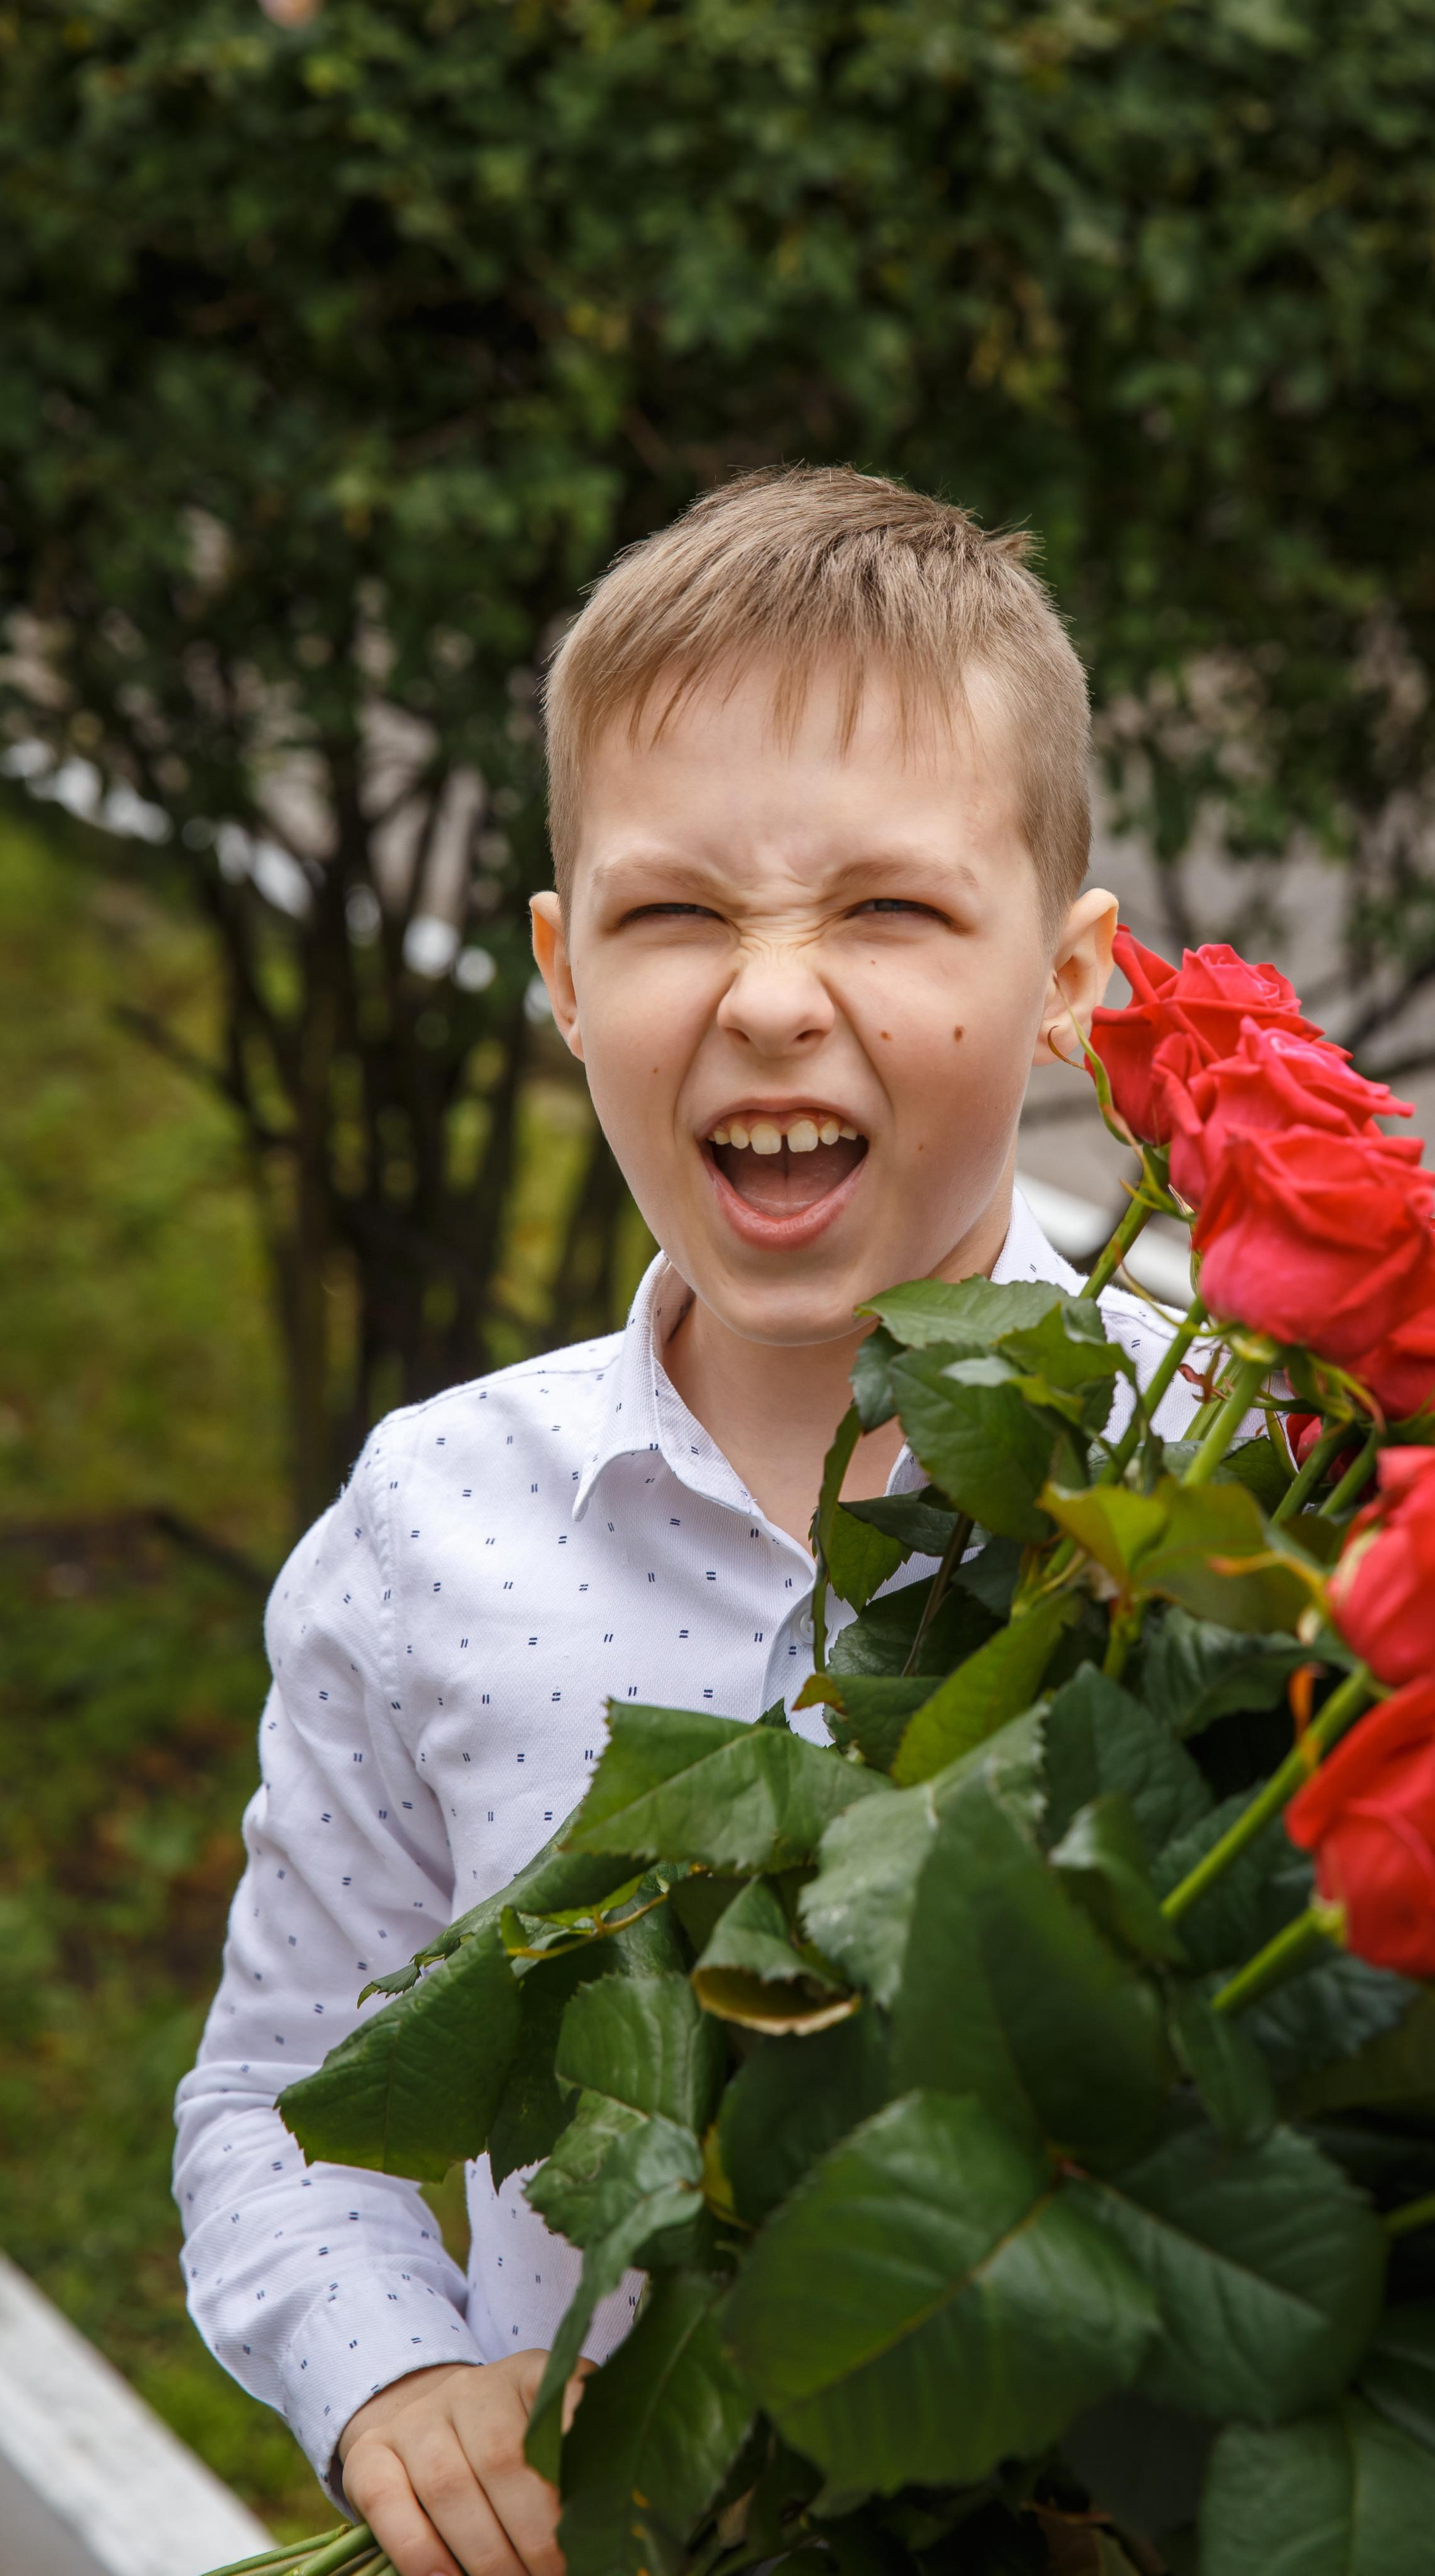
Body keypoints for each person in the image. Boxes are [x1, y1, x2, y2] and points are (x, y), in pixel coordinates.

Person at [172, 467, 1203, 2576]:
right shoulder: (433, 1531)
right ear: (560, 971)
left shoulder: (1228, 1475)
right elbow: (277, 2105)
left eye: (891, 911)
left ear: (1075, 984)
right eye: (675, 913)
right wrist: (393, 2375)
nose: (771, 995)